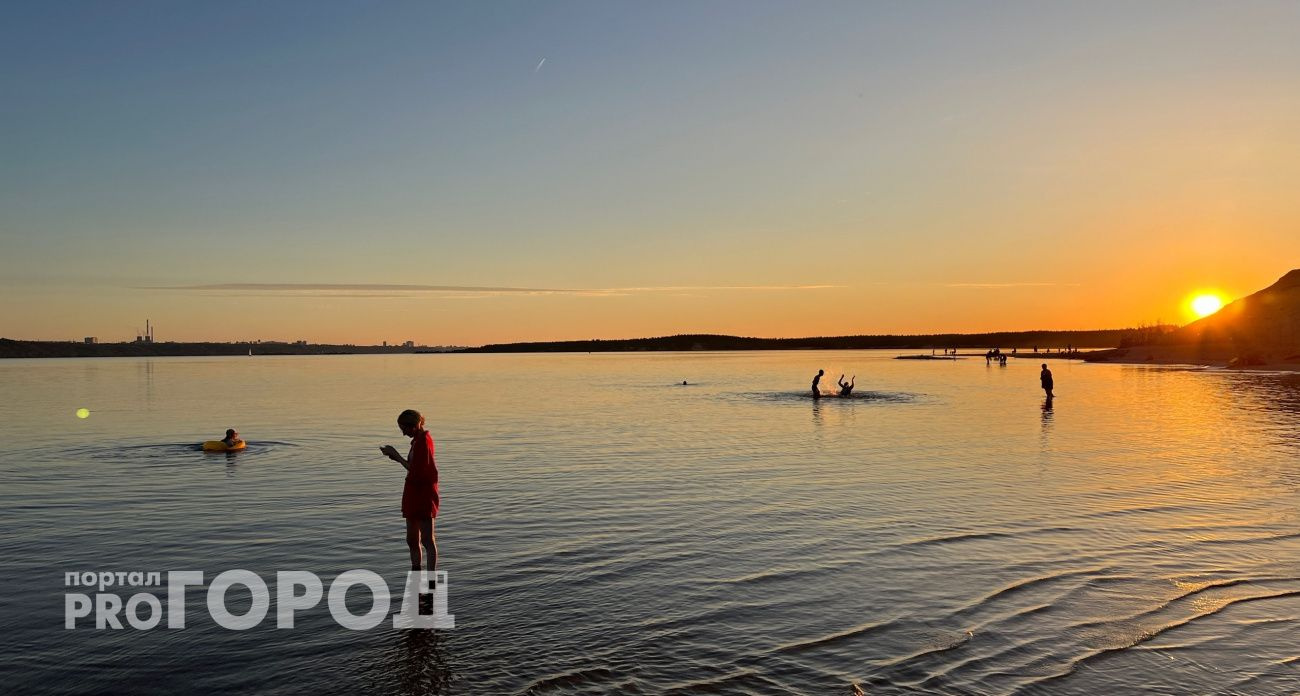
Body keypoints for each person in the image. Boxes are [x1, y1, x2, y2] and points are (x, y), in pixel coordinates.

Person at [380, 409, 440, 572]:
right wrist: (395, 457)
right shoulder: (417, 441)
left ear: (413, 426)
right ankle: (416, 573)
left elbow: (418, 471)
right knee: (412, 539)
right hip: (413, 492)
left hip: (424, 494)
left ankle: (431, 578)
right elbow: (414, 466)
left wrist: (397, 457)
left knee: (427, 540)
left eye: (404, 429)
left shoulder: (424, 442)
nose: (403, 434)